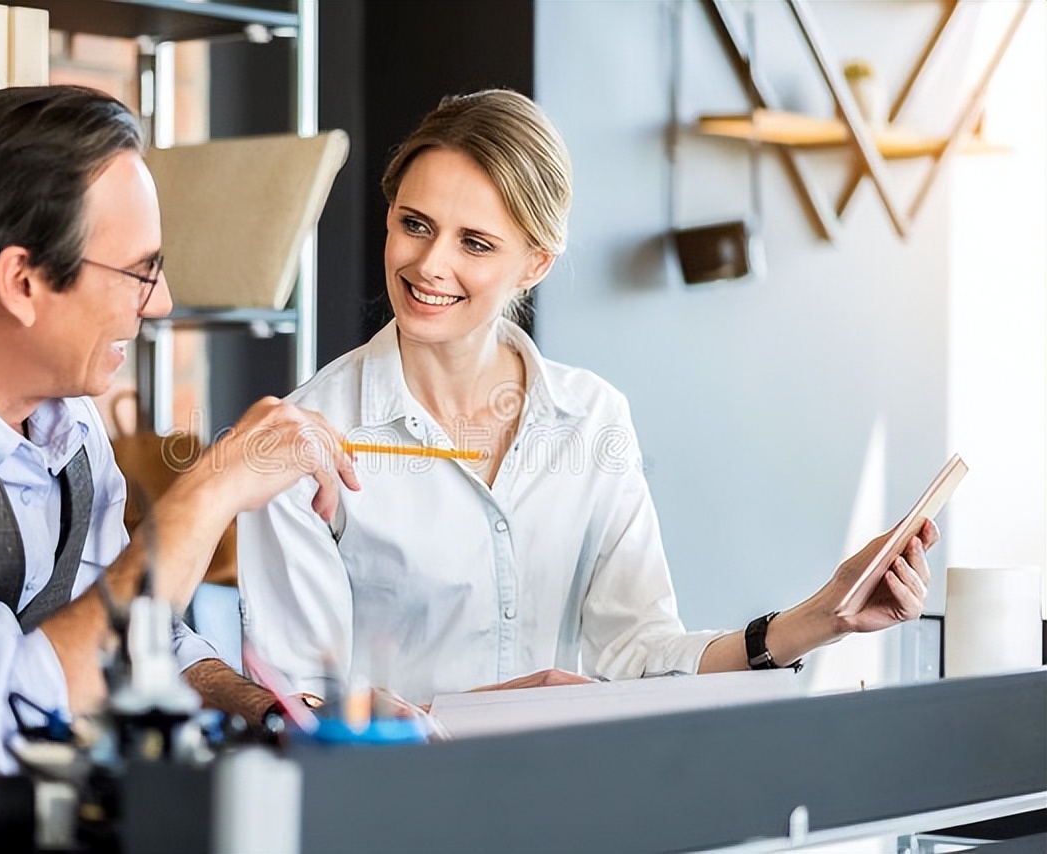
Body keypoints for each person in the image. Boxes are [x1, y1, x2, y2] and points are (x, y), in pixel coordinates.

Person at [236, 89, 936, 707]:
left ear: (535, 262)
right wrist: (485, 711)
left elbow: (638, 654)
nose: (429, 264)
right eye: (414, 224)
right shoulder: (302, 438)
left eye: (475, 243)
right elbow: (296, 704)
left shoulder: (592, 417)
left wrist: (822, 615)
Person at [0, 85, 358, 814]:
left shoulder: (67, 422)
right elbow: (5, 722)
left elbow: (129, 638)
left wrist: (264, 711)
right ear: (21, 282)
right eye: (141, 271)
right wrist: (210, 491)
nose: (163, 301)